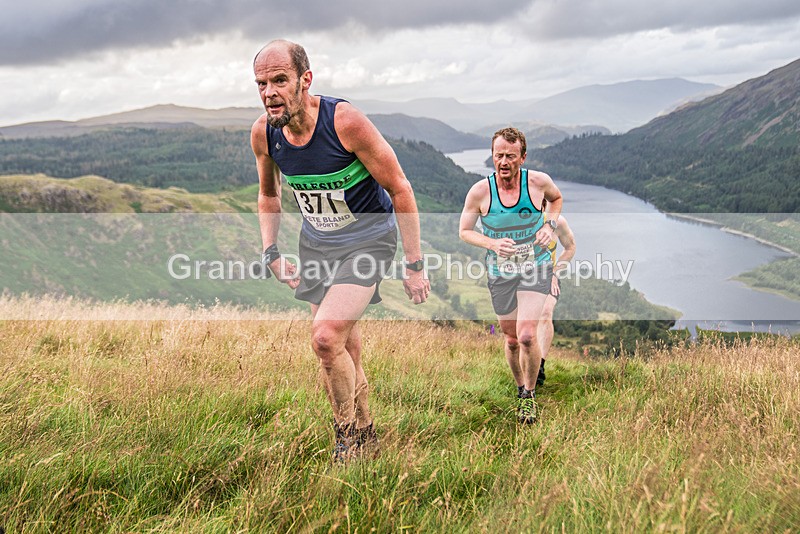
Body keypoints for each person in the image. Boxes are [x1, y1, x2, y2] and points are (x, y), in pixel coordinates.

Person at [251, 40, 430, 462]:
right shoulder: (264, 133)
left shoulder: (344, 122)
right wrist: (270, 251)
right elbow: (269, 194)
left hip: (368, 239)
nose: (269, 93)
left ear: (305, 80)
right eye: (261, 84)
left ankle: (346, 438)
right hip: (317, 245)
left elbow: (400, 188)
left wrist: (414, 264)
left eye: (280, 80)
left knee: (325, 338)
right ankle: (367, 436)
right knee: (343, 348)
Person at [459, 127, 563, 424]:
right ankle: (520, 387)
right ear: (492, 156)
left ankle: (529, 396)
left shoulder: (538, 183)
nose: (503, 162)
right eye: (498, 155)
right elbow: (464, 231)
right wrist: (492, 244)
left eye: (510, 156)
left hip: (535, 266)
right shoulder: (480, 192)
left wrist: (549, 226)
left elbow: (556, 199)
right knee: (513, 338)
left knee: (528, 335)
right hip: (500, 273)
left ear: (523, 157)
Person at [535, 211, 576, 387]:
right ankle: (527, 360)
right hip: (519, 277)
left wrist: (555, 272)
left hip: (548, 276)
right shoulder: (517, 219)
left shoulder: (558, 222)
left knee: (545, 312)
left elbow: (570, 247)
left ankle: (539, 366)